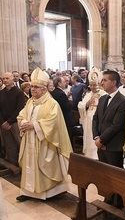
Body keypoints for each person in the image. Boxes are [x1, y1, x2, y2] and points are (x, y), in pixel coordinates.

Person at [16, 68, 73, 202]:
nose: (32, 89)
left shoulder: (52, 104)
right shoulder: (30, 101)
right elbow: (21, 115)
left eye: (36, 87)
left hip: (45, 141)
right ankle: (28, 191)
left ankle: (50, 192)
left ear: (44, 89)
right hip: (29, 139)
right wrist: (24, 122)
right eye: (31, 87)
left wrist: (35, 125)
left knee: (45, 165)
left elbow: (53, 122)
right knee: (29, 165)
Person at [92, 69, 125, 167]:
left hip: (113, 145)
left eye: (104, 80)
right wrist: (96, 137)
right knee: (103, 174)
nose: (101, 83)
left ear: (114, 82)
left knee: (115, 176)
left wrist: (101, 140)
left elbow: (117, 125)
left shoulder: (122, 101)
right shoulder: (103, 98)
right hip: (100, 144)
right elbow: (95, 119)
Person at [78, 68, 106, 159]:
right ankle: (89, 156)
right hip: (88, 121)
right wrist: (87, 103)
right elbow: (81, 106)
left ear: (99, 84)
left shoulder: (104, 94)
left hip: (99, 122)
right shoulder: (88, 94)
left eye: (95, 85)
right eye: (91, 85)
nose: (93, 87)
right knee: (89, 139)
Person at [0, 72, 25, 165]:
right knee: (9, 145)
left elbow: (20, 109)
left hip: (15, 122)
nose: (5, 80)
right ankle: (13, 163)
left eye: (7, 78)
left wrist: (9, 122)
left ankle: (23, 163)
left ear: (12, 79)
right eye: (4, 79)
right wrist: (2, 122)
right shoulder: (1, 93)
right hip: (3, 124)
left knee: (19, 143)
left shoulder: (19, 92)